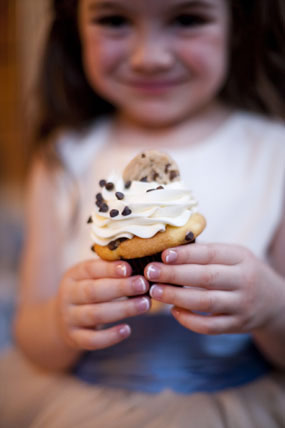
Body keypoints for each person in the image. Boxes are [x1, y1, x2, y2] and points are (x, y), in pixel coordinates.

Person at [0, 0, 284, 426]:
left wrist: (271, 306)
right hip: (88, 403)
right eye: (114, 20)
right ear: (74, 26)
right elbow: (30, 336)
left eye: (187, 19)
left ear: (237, 24)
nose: (149, 57)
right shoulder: (62, 158)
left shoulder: (274, 154)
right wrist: (62, 321)